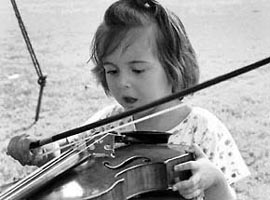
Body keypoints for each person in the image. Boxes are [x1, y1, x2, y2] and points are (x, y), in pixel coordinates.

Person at [7, 0, 250, 199]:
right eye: (112, 71)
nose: (122, 82)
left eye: (138, 70)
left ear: (174, 67)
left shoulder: (202, 129)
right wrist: (45, 152)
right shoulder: (110, 126)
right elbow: (76, 153)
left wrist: (214, 179)